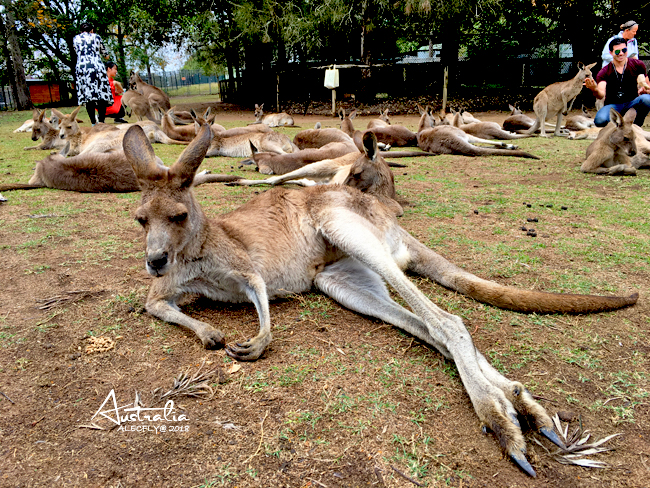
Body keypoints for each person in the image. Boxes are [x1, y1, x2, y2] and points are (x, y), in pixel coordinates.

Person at [586, 36, 650, 127]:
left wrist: (645, 90)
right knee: (600, 120)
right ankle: (615, 128)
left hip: (632, 103)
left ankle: (636, 126)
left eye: (624, 50)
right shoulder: (604, 71)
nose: (621, 53)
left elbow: (648, 87)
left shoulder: (638, 65)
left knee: (647, 99)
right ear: (611, 53)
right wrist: (594, 89)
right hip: (613, 105)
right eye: (617, 51)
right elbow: (601, 94)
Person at [73, 22, 112, 125]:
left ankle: (93, 122)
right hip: (96, 67)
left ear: (81, 31)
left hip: (82, 68)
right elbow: (105, 54)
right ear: (92, 30)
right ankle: (102, 121)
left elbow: (76, 51)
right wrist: (106, 56)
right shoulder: (96, 37)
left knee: (87, 96)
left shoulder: (76, 39)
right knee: (101, 95)